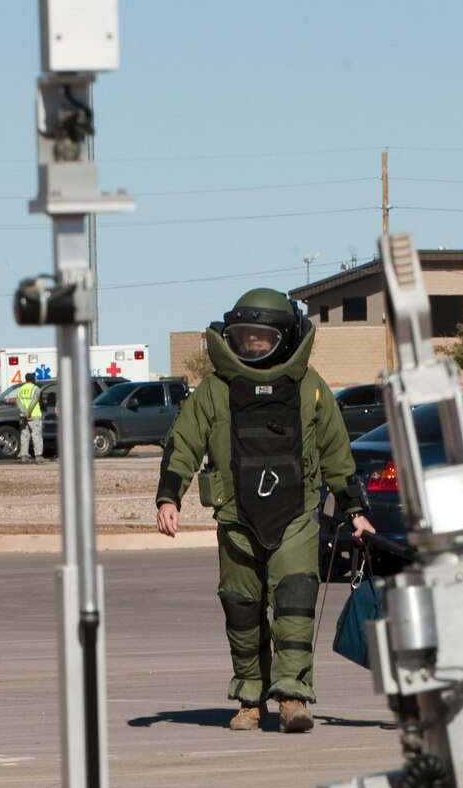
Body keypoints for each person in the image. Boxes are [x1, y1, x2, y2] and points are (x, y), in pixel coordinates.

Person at [155, 287, 374, 734]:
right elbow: (183, 444)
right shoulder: (214, 391)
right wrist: (168, 497)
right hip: (236, 520)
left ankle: (292, 697)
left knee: (294, 603)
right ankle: (250, 699)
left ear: (286, 337)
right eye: (245, 336)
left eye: (263, 337)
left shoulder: (309, 388)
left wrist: (355, 510)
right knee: (241, 608)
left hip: (296, 516)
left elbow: (337, 453)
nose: (253, 344)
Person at [15, 372, 43, 462]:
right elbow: (34, 401)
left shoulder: (20, 389)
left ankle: (24, 456)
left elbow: (18, 402)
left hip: (23, 416)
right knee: (36, 435)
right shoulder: (36, 389)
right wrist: (28, 412)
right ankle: (38, 456)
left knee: (24, 436)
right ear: (33, 380)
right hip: (34, 415)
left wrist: (24, 412)